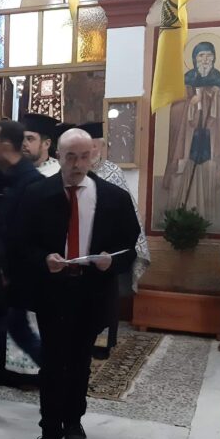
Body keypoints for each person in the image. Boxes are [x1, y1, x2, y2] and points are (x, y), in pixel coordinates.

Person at [10, 128, 141, 439]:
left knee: (81, 359)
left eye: (85, 156)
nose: (78, 164)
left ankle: (74, 422)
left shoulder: (113, 197)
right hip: (53, 290)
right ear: (58, 156)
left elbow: (130, 246)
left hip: (92, 289)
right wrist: (44, 259)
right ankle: (49, 431)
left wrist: (112, 261)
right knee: (53, 361)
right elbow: (20, 243)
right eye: (71, 157)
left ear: (93, 155)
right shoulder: (37, 193)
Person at [81, 122, 152, 358]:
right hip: (80, 251)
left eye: (94, 146)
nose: (90, 151)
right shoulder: (72, 174)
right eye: (86, 146)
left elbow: (128, 216)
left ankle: (103, 343)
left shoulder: (113, 172)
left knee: (107, 300)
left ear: (101, 147)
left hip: (108, 251)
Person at [0, 120, 46, 379]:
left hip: (16, 278)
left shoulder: (33, 184)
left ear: (6, 145)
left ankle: (57, 376)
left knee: (17, 330)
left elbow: (26, 236)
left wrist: (7, 271)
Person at [163, 40, 220, 224]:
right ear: (194, 59)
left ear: (214, 58)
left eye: (209, 55)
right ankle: (179, 209)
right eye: (201, 55)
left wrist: (216, 97)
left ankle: (205, 214)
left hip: (209, 134)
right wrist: (191, 102)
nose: (205, 59)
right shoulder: (187, 79)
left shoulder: (219, 79)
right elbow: (176, 108)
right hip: (188, 135)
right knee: (184, 166)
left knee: (207, 166)